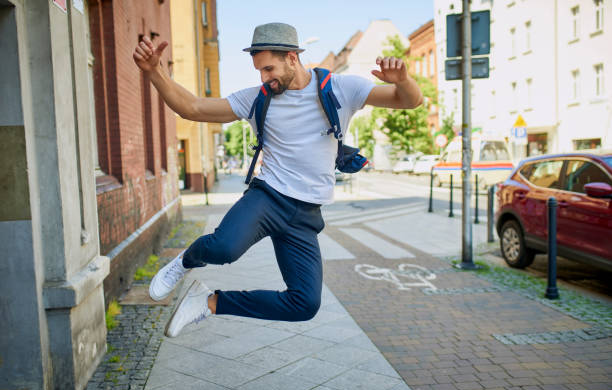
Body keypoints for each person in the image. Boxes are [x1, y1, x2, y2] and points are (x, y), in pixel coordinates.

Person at [133, 22, 423, 338]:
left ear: (293, 58)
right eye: (259, 70)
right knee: (223, 249)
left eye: (269, 68)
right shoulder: (258, 98)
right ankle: (185, 262)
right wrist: (154, 73)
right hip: (268, 197)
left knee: (304, 304)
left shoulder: (340, 88)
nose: (264, 78)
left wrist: (403, 80)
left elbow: (409, 101)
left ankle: (207, 302)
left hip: (306, 214)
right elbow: (192, 108)